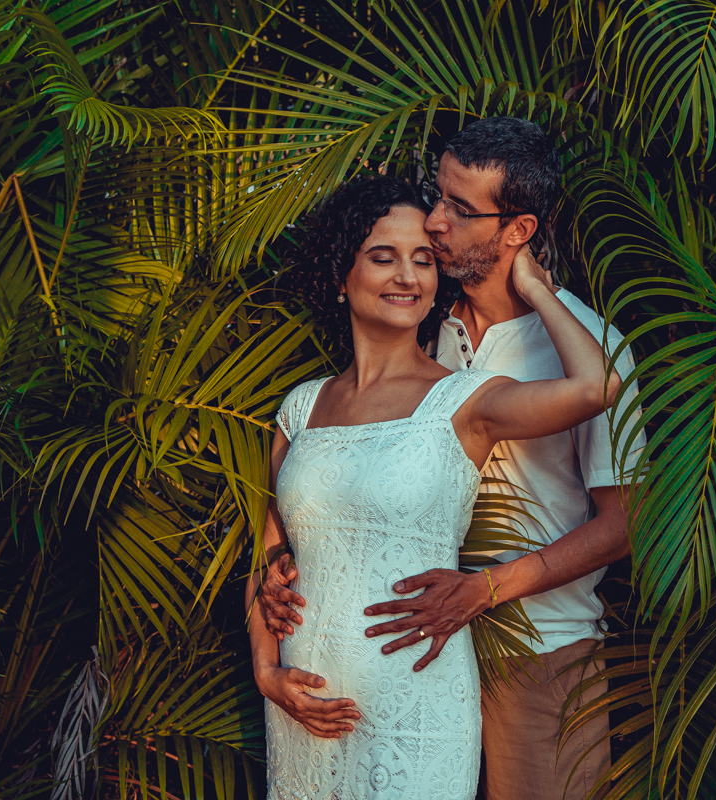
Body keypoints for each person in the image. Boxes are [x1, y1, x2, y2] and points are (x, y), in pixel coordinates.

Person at [259, 117, 647, 800]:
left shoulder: (585, 341)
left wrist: (487, 588)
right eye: (437, 196)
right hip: (407, 646)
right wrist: (286, 568)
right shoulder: (423, 324)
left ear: (517, 230)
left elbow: (624, 523)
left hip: (536, 648)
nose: (435, 223)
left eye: (459, 209)